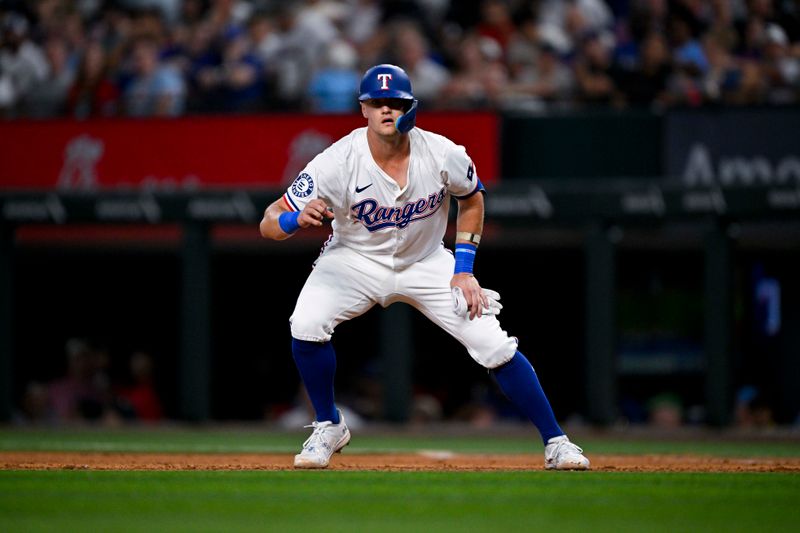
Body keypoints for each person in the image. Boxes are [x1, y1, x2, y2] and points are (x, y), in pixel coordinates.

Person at [259, 64, 590, 471]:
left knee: (493, 344)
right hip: (353, 259)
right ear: (363, 108)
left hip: (427, 260)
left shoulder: (443, 152)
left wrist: (464, 269)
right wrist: (293, 220)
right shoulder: (335, 161)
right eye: (377, 103)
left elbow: (471, 198)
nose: (386, 110)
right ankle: (328, 424)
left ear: (409, 107)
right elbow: (269, 221)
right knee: (305, 323)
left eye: (395, 102)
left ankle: (556, 441)